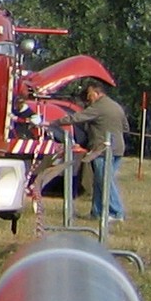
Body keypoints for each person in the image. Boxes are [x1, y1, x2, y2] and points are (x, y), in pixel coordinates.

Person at [63, 78, 129, 223]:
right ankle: (97, 212)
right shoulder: (116, 106)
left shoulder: (99, 107)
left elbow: (77, 118)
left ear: (97, 93)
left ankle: (117, 212)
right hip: (118, 148)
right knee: (100, 181)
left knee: (106, 182)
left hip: (103, 150)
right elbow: (125, 128)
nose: (88, 97)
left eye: (89, 93)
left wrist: (55, 121)